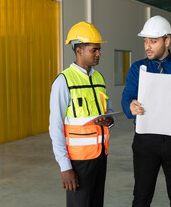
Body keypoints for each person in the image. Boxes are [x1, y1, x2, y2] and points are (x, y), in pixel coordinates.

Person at [121, 15, 171, 207]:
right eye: (145, 41)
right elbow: (126, 97)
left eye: (153, 41)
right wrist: (130, 105)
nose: (148, 46)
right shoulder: (138, 68)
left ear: (167, 40)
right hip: (146, 141)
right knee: (141, 197)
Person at [49, 21, 114, 207]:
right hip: (78, 162)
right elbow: (55, 126)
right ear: (79, 51)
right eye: (94, 50)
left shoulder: (99, 77)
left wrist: (110, 120)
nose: (98, 54)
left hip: (100, 155)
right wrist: (65, 167)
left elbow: (108, 110)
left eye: (99, 50)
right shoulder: (63, 81)